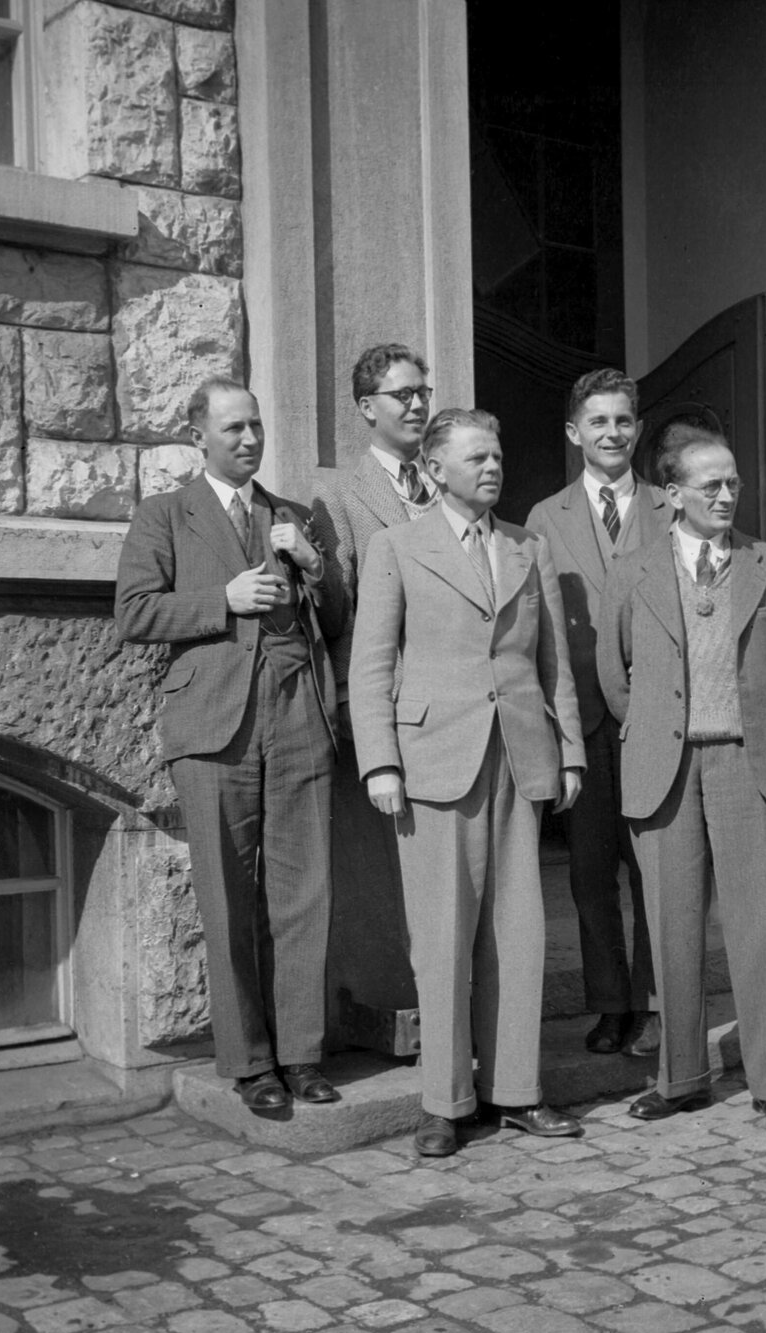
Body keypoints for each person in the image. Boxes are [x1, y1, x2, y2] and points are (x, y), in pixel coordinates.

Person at [349, 407, 587, 1157]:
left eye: (498, 454)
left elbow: (554, 665)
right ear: (436, 468)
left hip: (518, 757)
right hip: (433, 762)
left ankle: (516, 1091)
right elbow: (373, 664)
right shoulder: (396, 547)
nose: (493, 467)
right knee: (443, 938)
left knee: (518, 933)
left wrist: (571, 751)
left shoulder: (527, 547)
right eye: (477, 457)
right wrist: (380, 760)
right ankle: (444, 1104)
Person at [115, 377, 346, 1112]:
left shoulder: (293, 516)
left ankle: (303, 1056)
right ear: (199, 437)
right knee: (227, 898)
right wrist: (223, 601)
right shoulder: (165, 516)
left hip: (297, 716)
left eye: (256, 426)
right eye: (234, 428)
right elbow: (135, 612)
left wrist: (312, 564)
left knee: (303, 894)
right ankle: (250, 1065)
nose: (250, 439)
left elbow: (338, 618)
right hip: (213, 726)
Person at [597, 422, 766, 1133]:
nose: (726, 495)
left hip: (750, 764)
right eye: (711, 484)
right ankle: (680, 1077)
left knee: (761, 930)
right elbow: (614, 673)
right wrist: (660, 727)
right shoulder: (635, 570)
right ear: (672, 492)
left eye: (734, 483)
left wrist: (757, 718)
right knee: (671, 926)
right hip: (668, 765)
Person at [526, 368, 666, 1058]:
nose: (612, 433)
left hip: (655, 718)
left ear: (638, 429)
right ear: (575, 433)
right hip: (582, 718)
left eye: (623, 421)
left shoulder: (672, 510)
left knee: (656, 869)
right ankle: (611, 1004)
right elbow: (538, 630)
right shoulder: (543, 520)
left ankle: (660, 1000)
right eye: (598, 422)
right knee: (590, 872)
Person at [306, 344, 438, 1024]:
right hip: (381, 709)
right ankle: (395, 1017)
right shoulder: (338, 493)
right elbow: (338, 612)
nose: (417, 404)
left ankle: (449, 1010)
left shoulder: (444, 482)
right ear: (366, 408)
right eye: (400, 395)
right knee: (383, 877)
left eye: (422, 392)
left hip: (452, 711)